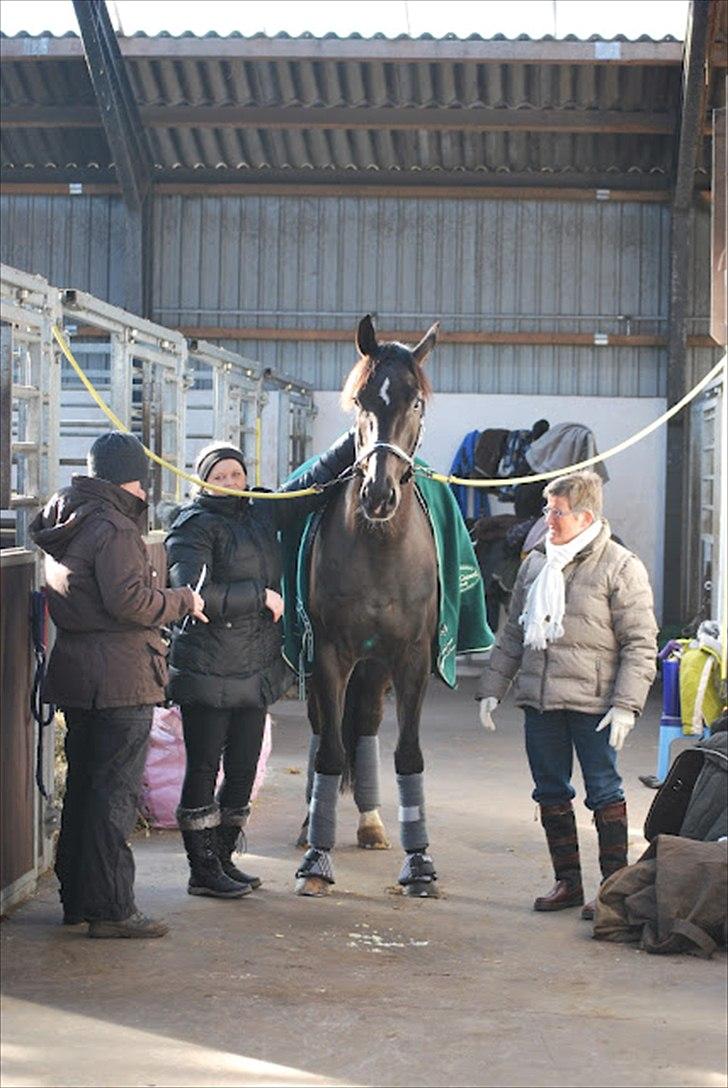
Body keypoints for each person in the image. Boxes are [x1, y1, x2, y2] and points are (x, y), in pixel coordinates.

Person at [29, 431, 206, 939]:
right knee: (113, 797)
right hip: (121, 677)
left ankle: (79, 899)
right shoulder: (114, 527)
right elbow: (131, 602)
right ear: (137, 481)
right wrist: (180, 601)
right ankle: (111, 909)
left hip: (80, 671)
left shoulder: (70, 515)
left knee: (85, 789)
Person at [165, 435, 354, 899]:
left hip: (252, 669)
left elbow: (312, 482)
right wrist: (261, 597)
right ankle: (201, 869)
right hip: (207, 669)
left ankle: (224, 858)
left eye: (236, 472)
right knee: (204, 768)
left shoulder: (260, 512)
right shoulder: (191, 528)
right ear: (202, 482)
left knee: (244, 769)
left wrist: (357, 433)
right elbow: (192, 595)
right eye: (219, 476)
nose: (231, 481)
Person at [476, 470, 657, 918]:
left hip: (593, 704)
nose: (548, 519)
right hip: (541, 700)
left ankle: (612, 891)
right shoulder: (536, 562)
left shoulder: (620, 566)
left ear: (585, 516)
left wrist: (625, 705)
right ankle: (568, 883)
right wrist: (493, 688)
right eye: (547, 509)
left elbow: (640, 642)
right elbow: (514, 632)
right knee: (550, 791)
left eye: (556, 512)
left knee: (603, 791)